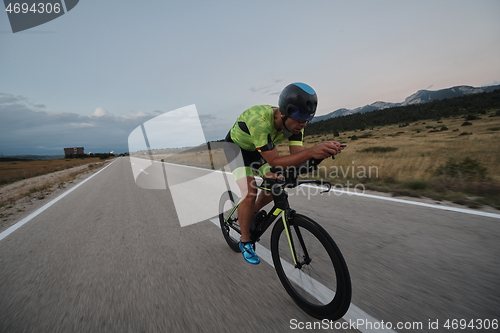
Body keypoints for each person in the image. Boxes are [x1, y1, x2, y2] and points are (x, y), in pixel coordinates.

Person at [224, 82, 344, 264]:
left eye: (308, 117)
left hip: (257, 150)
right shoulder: (260, 121)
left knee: (277, 183)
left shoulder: (296, 125)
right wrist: (312, 151)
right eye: (300, 116)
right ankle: (245, 241)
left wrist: (320, 155)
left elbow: (297, 159)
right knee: (250, 191)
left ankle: (251, 214)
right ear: (282, 112)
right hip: (236, 149)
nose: (303, 123)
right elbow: (275, 161)